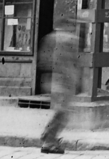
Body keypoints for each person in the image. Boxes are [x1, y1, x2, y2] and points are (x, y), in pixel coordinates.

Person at [38, 24, 79, 154]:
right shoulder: (68, 40)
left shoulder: (50, 38)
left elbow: (43, 60)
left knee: (61, 112)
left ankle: (49, 137)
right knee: (63, 112)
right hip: (63, 81)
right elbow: (69, 64)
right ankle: (49, 140)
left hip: (53, 80)